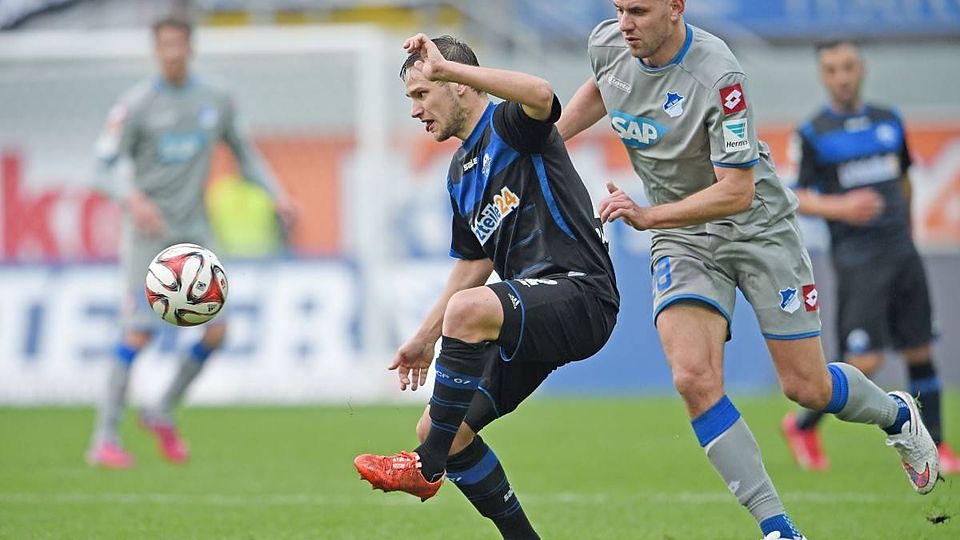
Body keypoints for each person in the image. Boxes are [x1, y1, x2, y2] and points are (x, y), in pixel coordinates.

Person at [555, 1, 940, 538]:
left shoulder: (719, 74)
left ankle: (896, 415)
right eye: (618, 8)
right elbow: (606, 85)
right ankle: (778, 528)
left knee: (807, 387)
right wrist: (548, 140)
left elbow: (736, 191)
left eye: (638, 10)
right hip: (682, 236)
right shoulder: (609, 43)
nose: (624, 23)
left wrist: (648, 215)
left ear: (675, 7)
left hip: (756, 227)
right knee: (692, 377)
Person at [353, 34, 619, 539]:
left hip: (582, 293)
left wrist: (452, 68)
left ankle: (424, 467)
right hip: (532, 312)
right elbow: (474, 261)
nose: (414, 110)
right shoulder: (459, 174)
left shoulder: (511, 125)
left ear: (457, 85)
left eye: (421, 93)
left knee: (467, 313)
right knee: (442, 430)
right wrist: (425, 336)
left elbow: (541, 94)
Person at [87, 16, 296, 468]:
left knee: (218, 331)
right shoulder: (136, 105)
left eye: (178, 44)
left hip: (194, 235)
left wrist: (276, 194)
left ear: (190, 48)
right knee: (138, 332)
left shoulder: (215, 99)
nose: (172, 53)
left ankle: (161, 410)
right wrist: (132, 199)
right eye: (164, 45)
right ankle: (104, 438)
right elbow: (101, 167)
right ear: (155, 50)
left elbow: (245, 154)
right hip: (147, 236)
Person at [781, 40, 959, 474]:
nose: (842, 77)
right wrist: (841, 207)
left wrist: (906, 228)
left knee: (919, 347)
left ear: (861, 69)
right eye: (832, 69)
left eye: (848, 67)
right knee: (865, 361)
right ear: (824, 76)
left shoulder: (888, 120)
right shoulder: (814, 133)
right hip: (858, 259)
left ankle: (937, 445)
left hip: (902, 251)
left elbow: (904, 179)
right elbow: (795, 196)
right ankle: (802, 426)